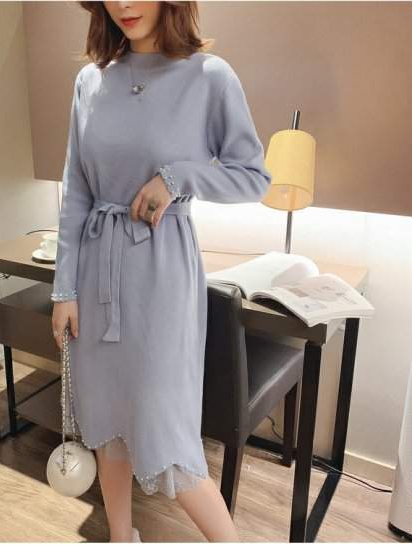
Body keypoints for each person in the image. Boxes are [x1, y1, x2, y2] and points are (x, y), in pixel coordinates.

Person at [50, 0, 271, 542]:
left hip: (162, 276)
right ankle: (122, 537)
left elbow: (253, 177)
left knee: (167, 435)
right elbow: (76, 192)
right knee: (107, 425)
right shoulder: (90, 81)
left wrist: (179, 178)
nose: (123, 3)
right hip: (96, 274)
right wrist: (64, 289)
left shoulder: (209, 77)